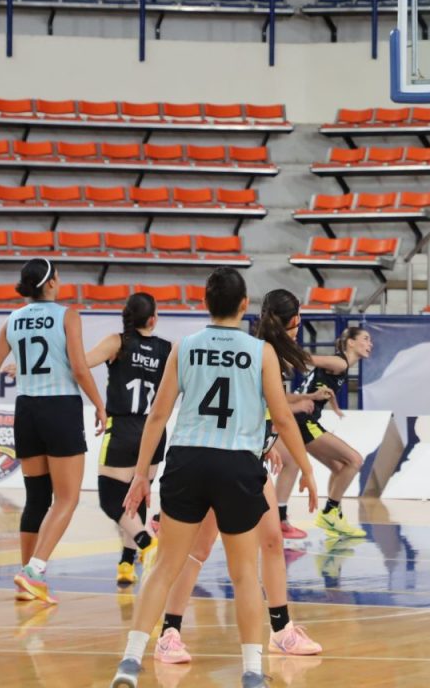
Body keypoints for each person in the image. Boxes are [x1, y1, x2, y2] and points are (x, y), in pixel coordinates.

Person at [109, 269, 318, 688]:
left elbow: (158, 415)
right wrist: (308, 470)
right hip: (235, 464)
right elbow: (282, 417)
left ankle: (129, 662)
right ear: (244, 305)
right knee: (243, 573)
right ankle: (252, 671)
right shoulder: (259, 351)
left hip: (187, 460)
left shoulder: (183, 347)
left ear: (205, 303)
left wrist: (140, 474)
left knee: (165, 566)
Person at [0, 258, 105, 604]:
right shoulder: (68, 316)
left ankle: (27, 578)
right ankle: (34, 571)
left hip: (26, 410)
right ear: (51, 282)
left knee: (37, 498)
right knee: (67, 498)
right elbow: (79, 368)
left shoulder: (12, 319)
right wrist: (100, 405)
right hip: (60, 407)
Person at [85, 292, 170, 586]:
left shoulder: (117, 342)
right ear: (153, 319)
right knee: (138, 496)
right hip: (154, 429)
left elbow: (80, 363)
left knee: (112, 499)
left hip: (122, 427)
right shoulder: (167, 349)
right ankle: (125, 563)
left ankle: (146, 543)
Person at [274, 325, 375, 538]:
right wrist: (286, 351)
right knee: (355, 460)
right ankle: (329, 512)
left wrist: (335, 408)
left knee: (339, 468)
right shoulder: (340, 362)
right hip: (303, 420)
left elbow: (328, 389)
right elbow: (309, 359)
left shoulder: (341, 366)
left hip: (303, 419)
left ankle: (333, 517)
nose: (370, 344)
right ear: (351, 342)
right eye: (365, 339)